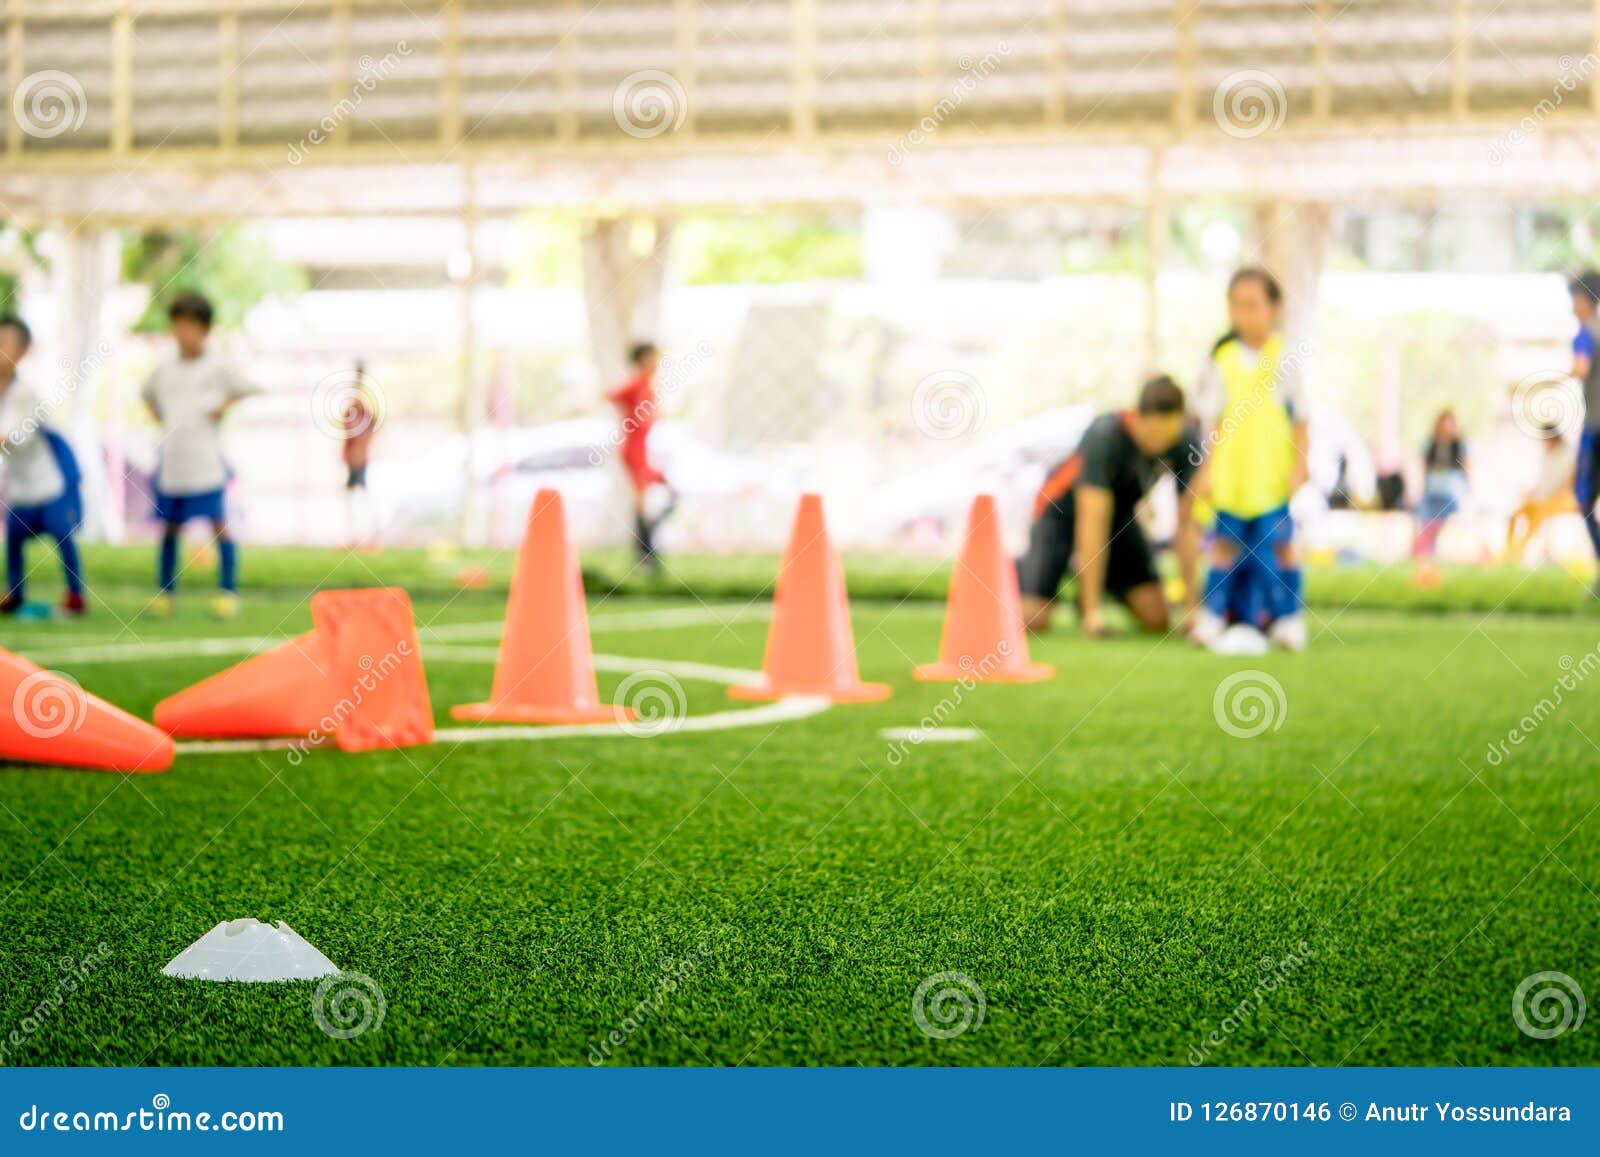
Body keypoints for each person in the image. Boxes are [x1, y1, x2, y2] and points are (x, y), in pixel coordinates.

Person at [1018, 374, 1202, 636]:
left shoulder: (1183, 441)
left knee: (1156, 618)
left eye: (1168, 435)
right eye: (1154, 434)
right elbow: (1092, 522)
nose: (1160, 444)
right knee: (1033, 620)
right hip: (1059, 514)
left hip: (1118, 519)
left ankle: (1085, 583)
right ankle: (1015, 573)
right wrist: (1093, 614)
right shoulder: (1105, 435)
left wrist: (1191, 607)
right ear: (1139, 417)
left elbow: (1186, 524)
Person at [1190, 266, 1309, 651]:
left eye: (1253, 305)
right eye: (1237, 305)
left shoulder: (1286, 356)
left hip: (1271, 475)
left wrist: (1300, 464)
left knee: (1280, 544)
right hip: (1231, 475)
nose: (1245, 314)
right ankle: (1213, 617)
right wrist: (1206, 469)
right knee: (1224, 544)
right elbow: (1213, 420)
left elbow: (1302, 418)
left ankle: (1288, 619)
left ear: (1273, 308)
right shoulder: (1221, 357)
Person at [140, 292, 259, 618]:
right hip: (173, 461)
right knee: (169, 527)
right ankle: (165, 593)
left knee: (218, 524)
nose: (182, 332)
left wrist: (222, 406)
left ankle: (227, 591)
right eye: (177, 324)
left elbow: (250, 386)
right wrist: (161, 416)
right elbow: (146, 393)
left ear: (204, 329)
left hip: (205, 460)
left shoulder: (218, 364)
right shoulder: (165, 367)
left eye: (189, 325)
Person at [0, 315, 86, 618]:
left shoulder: (26, 394)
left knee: (62, 536)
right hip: (22, 488)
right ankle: (15, 593)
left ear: (22, 351)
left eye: (5, 343)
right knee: (13, 540)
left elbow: (16, 439)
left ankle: (76, 596)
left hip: (49, 483)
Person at [605, 341, 676, 573]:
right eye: (653, 358)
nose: (656, 362)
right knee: (642, 501)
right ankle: (645, 555)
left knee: (670, 492)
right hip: (634, 449)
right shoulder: (636, 383)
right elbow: (612, 395)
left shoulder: (647, 385)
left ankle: (648, 548)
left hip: (643, 449)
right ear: (643, 360)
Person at [1411, 408, 1468, 586]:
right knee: (1427, 528)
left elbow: (1467, 468)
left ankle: (1443, 565)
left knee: (1446, 529)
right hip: (1431, 492)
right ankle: (1426, 565)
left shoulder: (1459, 445)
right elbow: (1421, 468)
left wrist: (1470, 491)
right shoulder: (1430, 444)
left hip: (1450, 493)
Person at [1568, 270, 1600, 592]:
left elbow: (1580, 367)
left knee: (1583, 499)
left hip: (1595, 429)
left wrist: (1549, 382)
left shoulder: (1584, 334)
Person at [1504, 423, 1575, 564]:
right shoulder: (1546, 455)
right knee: (1513, 515)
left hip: (1560, 500)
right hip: (1541, 499)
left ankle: (1520, 552)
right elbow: (1543, 483)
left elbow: (1568, 484)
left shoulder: (1568, 455)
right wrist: (1530, 492)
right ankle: (1509, 550)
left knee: (1536, 516)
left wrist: (1546, 497)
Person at [341, 361, 379, 550]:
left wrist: (361, 449)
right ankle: (357, 536)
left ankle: (368, 536)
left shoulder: (362, 407)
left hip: (359, 457)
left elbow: (369, 429)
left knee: (361, 496)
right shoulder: (356, 406)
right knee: (354, 496)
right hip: (354, 456)